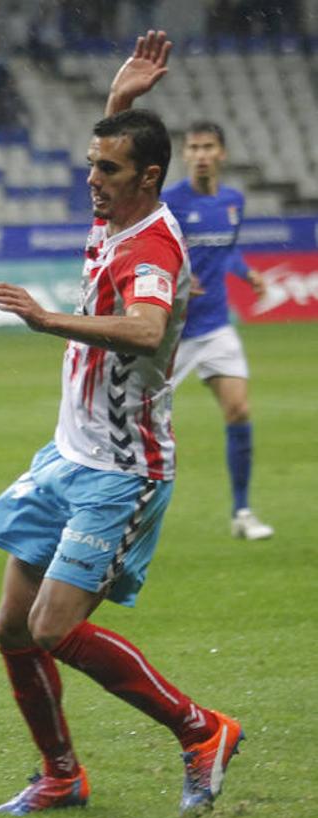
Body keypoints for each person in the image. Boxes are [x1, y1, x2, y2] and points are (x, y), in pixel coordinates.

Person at [0, 32, 243, 818]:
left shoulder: (151, 245)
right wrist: (120, 101)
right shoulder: (117, 214)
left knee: (51, 627)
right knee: (10, 627)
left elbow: (145, 327)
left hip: (122, 471)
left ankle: (201, 731)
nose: (90, 179)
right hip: (66, 455)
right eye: (90, 165)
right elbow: (120, 152)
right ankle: (61, 777)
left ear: (146, 179)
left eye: (107, 170)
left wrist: (45, 319)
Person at [162, 122, 273, 540]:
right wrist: (177, 279)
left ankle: (242, 512)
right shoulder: (168, 203)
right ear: (185, 155)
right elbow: (149, 252)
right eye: (193, 148)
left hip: (215, 326)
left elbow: (227, 251)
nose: (201, 155)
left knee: (239, 410)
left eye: (208, 147)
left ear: (222, 153)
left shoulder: (232, 201)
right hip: (170, 333)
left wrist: (247, 273)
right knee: (141, 423)